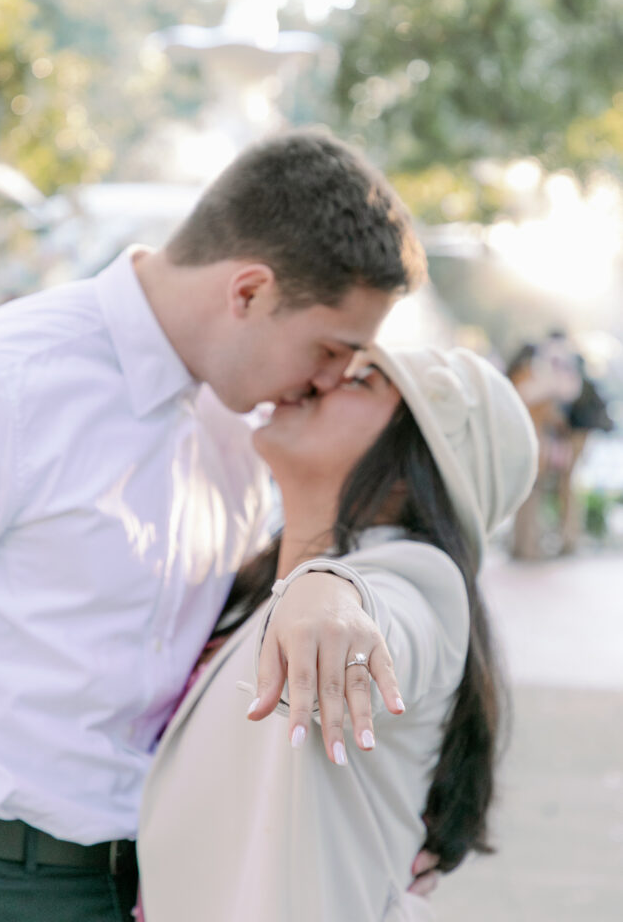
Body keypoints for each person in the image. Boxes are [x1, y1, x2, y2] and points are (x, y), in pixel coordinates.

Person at [0, 128, 428, 922]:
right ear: (248, 292)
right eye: (333, 347)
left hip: (158, 884)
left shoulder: (243, 429)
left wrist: (327, 585)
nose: (336, 379)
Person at [138, 345, 538, 921]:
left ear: (413, 467)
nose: (317, 381)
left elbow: (381, 623)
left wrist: (330, 591)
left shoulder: (422, 583)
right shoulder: (249, 585)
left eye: (362, 381)